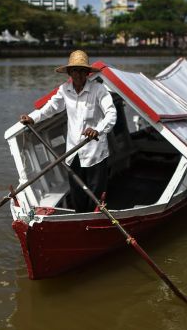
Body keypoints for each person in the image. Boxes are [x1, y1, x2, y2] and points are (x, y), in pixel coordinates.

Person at [20, 50, 117, 212]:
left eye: (81, 71)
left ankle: (94, 218)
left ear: (87, 73)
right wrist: (32, 118)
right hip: (73, 152)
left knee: (96, 194)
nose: (78, 75)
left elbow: (111, 114)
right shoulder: (64, 89)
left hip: (95, 152)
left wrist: (97, 130)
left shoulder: (99, 90)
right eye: (75, 71)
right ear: (70, 72)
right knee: (77, 194)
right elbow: (51, 108)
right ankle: (79, 219)